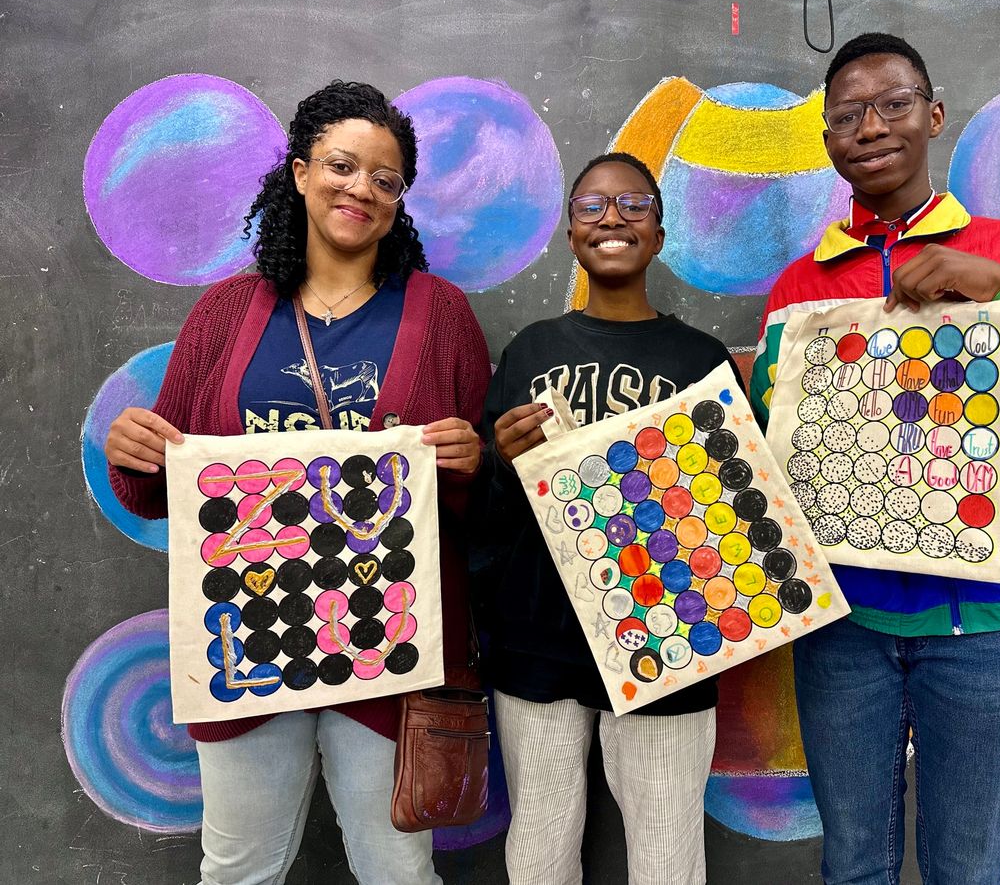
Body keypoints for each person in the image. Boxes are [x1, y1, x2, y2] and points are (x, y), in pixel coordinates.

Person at [751, 34, 1000, 884]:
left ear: (934, 115)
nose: (871, 127)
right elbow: (773, 466)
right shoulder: (797, 290)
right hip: (842, 628)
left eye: (893, 104)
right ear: (826, 141)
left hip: (983, 629)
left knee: (967, 868)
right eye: (847, 115)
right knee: (854, 864)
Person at [105, 80, 491, 885]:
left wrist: (471, 460)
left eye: (386, 180)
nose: (362, 189)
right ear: (299, 171)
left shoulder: (440, 313)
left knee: (397, 870)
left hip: (391, 646)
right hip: (245, 645)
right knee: (238, 871)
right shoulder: (224, 313)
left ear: (400, 201)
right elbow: (156, 489)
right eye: (343, 166)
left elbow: (483, 506)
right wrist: (134, 450)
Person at [476, 152, 739, 885]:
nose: (613, 217)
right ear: (569, 233)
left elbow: (741, 514)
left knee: (666, 857)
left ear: (660, 232)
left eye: (633, 204)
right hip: (539, 642)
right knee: (538, 853)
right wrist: (500, 460)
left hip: (673, 644)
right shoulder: (532, 350)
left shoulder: (701, 358)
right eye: (591, 206)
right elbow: (488, 514)